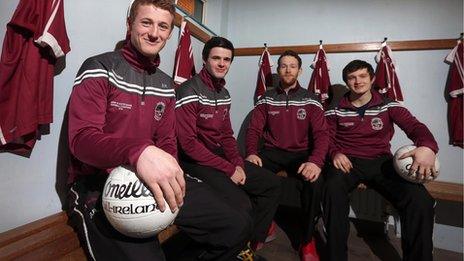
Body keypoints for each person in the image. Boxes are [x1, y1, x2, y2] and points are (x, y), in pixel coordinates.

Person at [66, 1, 251, 260]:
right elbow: (81, 140)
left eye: (163, 26)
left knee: (237, 225)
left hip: (157, 177)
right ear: (129, 24)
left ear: (169, 33)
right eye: (146, 22)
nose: (154, 33)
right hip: (100, 183)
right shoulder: (99, 67)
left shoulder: (165, 83)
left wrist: (165, 166)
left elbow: (166, 141)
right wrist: (139, 153)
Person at [175, 36, 281, 260]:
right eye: (216, 58)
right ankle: (234, 247)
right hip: (192, 161)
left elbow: (226, 136)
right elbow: (188, 144)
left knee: (271, 184)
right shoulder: (188, 90)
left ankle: (249, 245)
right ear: (204, 59)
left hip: (218, 156)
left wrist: (237, 163)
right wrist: (229, 169)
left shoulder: (224, 94)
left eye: (227, 59)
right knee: (241, 204)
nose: (222, 64)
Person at [323, 60, 438, 261]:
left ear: (372, 79)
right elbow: (326, 139)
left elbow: (414, 127)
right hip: (347, 162)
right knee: (332, 189)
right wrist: (335, 153)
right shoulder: (334, 110)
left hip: (380, 161)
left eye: (362, 76)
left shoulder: (388, 105)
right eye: (351, 78)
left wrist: (427, 147)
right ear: (346, 82)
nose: (357, 81)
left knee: (420, 200)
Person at [245, 50, 329, 261]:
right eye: (283, 65)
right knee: (247, 173)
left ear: (300, 70)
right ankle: (262, 227)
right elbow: (254, 130)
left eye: (292, 66)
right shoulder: (266, 98)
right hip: (272, 152)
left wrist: (316, 162)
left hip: (301, 153)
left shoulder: (311, 99)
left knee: (315, 181)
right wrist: (252, 153)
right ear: (278, 70)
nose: (288, 69)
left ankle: (307, 239)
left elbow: (321, 134)